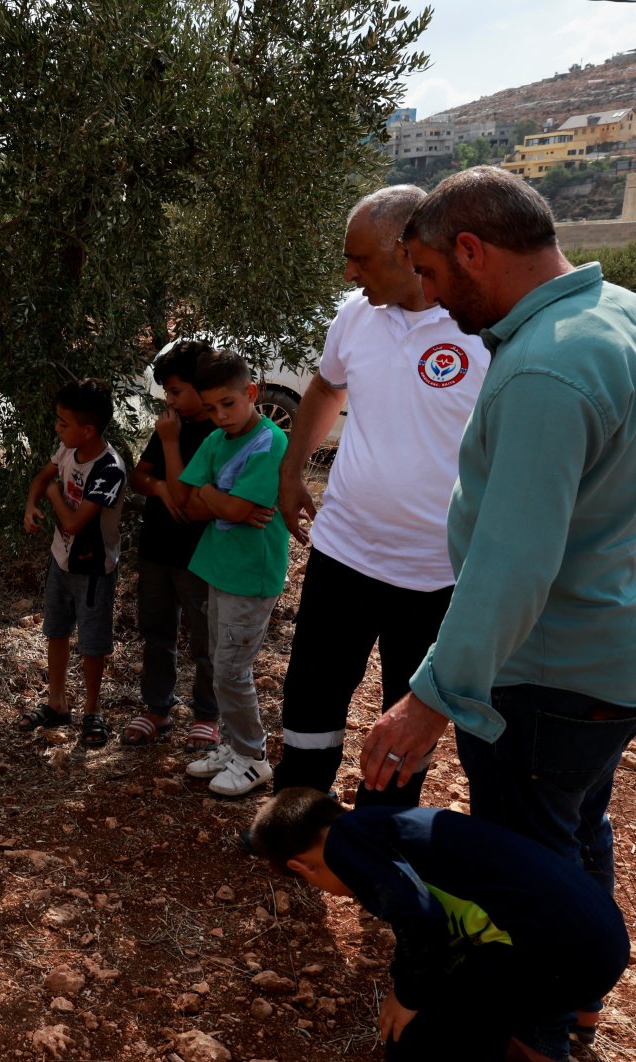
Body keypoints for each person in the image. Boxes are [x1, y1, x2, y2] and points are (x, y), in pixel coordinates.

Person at [363, 166, 636, 1056]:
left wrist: (429, 698)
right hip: (609, 661)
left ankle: (535, 1034)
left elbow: (511, 567)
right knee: (575, 827)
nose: (433, 301)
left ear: (472, 250)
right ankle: (585, 1002)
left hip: (547, 675)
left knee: (527, 870)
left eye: (434, 277)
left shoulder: (546, 370)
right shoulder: (615, 318)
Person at [272, 186, 489, 806]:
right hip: (343, 549)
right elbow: (323, 389)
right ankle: (299, 815)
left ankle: (382, 834)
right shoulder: (356, 313)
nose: (349, 273)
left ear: (406, 251)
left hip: (435, 570)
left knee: (407, 706)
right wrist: (293, 471)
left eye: (360, 259)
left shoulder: (481, 330)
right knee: (312, 689)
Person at [248, 788, 628, 1061]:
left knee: (416, 1032)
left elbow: (420, 917)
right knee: (459, 999)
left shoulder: (342, 845)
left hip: (563, 957)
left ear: (299, 866)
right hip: (597, 940)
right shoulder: (377, 825)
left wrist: (407, 994)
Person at [172, 352, 290, 796]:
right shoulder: (219, 438)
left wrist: (216, 497)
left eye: (228, 404)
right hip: (219, 568)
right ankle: (236, 746)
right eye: (211, 409)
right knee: (221, 663)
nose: (220, 417)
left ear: (251, 394)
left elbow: (238, 509)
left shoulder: (270, 442)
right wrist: (218, 496)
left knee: (232, 670)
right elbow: (189, 499)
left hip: (250, 576)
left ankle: (253, 757)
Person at [123, 338, 220, 751]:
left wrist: (169, 448)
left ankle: (206, 715)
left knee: (205, 638)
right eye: (167, 392)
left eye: (177, 391)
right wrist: (160, 488)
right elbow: (140, 477)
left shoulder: (216, 432)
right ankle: (157, 708)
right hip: (157, 548)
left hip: (198, 553)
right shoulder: (169, 424)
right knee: (156, 631)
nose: (170, 400)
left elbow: (189, 495)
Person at [21, 378, 128, 749]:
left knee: (93, 643)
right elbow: (43, 477)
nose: (57, 428)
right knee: (57, 630)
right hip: (60, 560)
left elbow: (73, 522)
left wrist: (51, 495)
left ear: (88, 429)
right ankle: (57, 703)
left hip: (93, 569)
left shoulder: (109, 469)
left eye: (63, 423)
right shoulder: (69, 450)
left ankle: (92, 710)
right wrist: (32, 503)